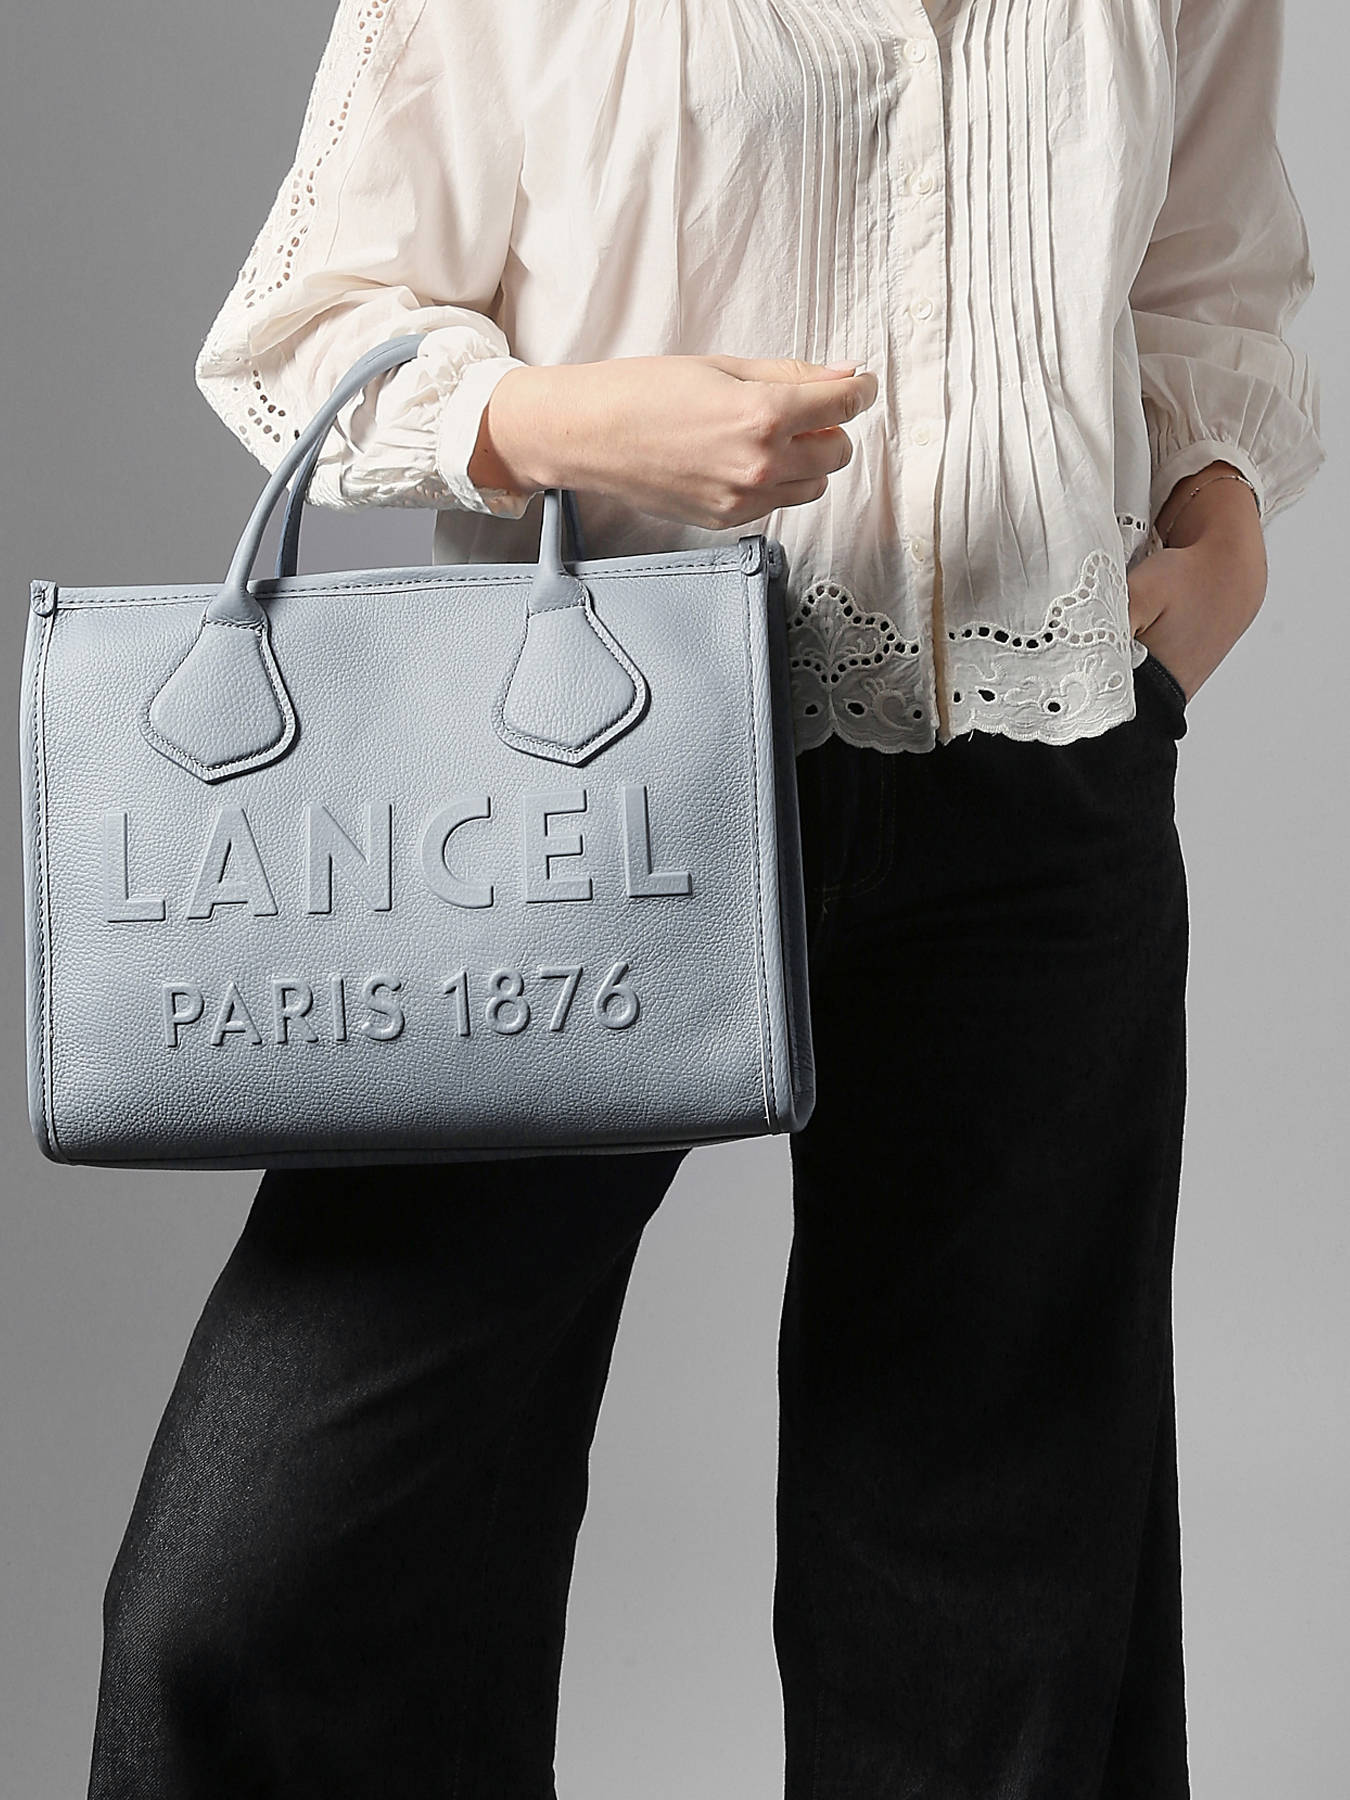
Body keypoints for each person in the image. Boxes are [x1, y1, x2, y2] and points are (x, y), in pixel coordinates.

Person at [86, 2, 1324, 1795]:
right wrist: (562, 422)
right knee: (265, 1589)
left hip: (1037, 776)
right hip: (592, 781)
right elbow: (304, 322)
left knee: (995, 1613)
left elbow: (1201, 268)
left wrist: (1221, 518)